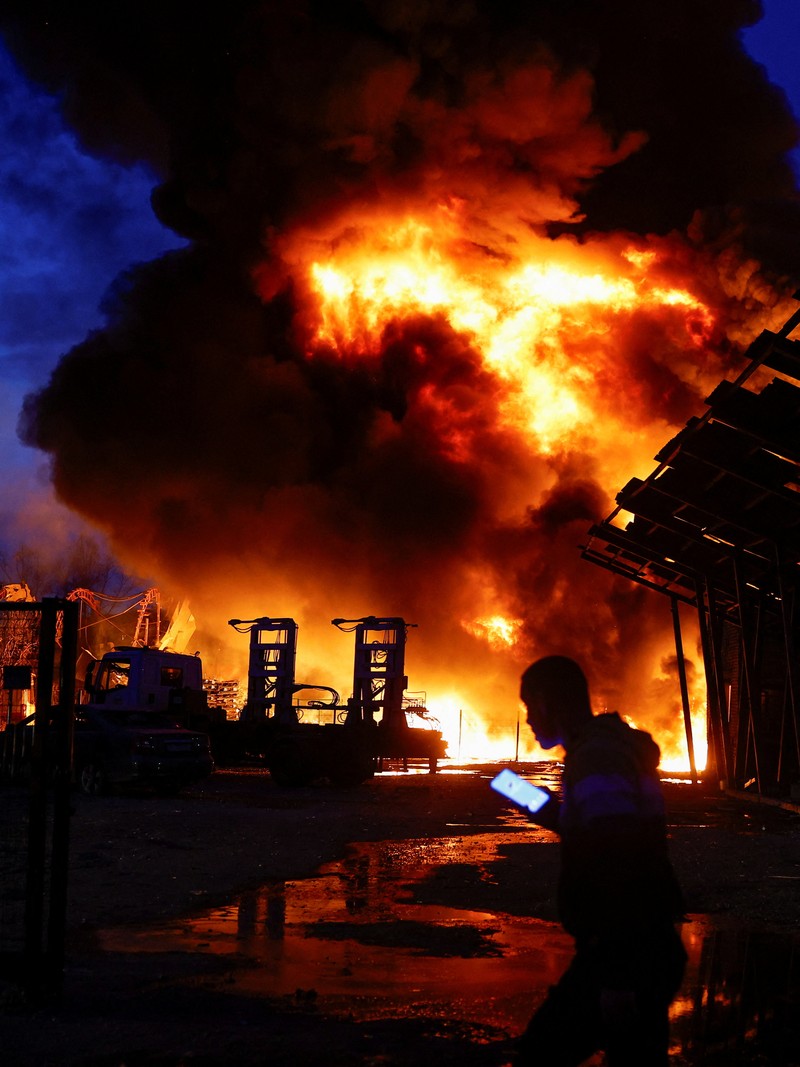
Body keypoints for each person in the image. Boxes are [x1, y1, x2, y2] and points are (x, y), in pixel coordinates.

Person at [513, 655, 686, 1067]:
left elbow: (619, 860)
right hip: (643, 945)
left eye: (530, 706)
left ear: (549, 701)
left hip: (628, 952)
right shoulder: (604, 749)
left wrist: (617, 977)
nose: (529, 719)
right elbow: (602, 831)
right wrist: (547, 810)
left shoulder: (597, 756)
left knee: (540, 1054)